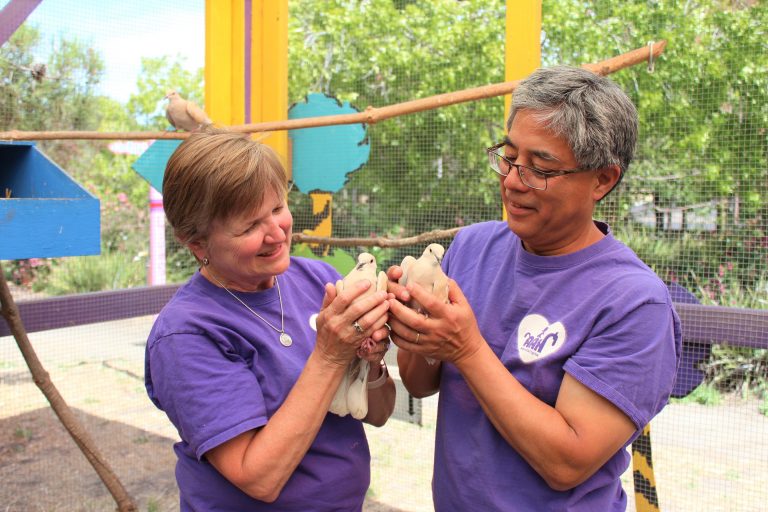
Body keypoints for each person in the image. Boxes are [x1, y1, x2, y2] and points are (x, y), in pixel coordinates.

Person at [386, 66, 682, 511]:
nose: (511, 180)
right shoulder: (472, 246)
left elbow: (566, 463)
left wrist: (465, 347)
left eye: (540, 169)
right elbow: (419, 381)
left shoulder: (634, 303)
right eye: (508, 157)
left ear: (602, 179)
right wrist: (412, 325)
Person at [144, 129, 396, 511]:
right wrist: (330, 355)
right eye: (249, 227)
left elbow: (378, 413)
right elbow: (257, 478)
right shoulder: (187, 334)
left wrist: (371, 363)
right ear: (197, 243)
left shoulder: (316, 278)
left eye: (277, 208)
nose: (276, 232)